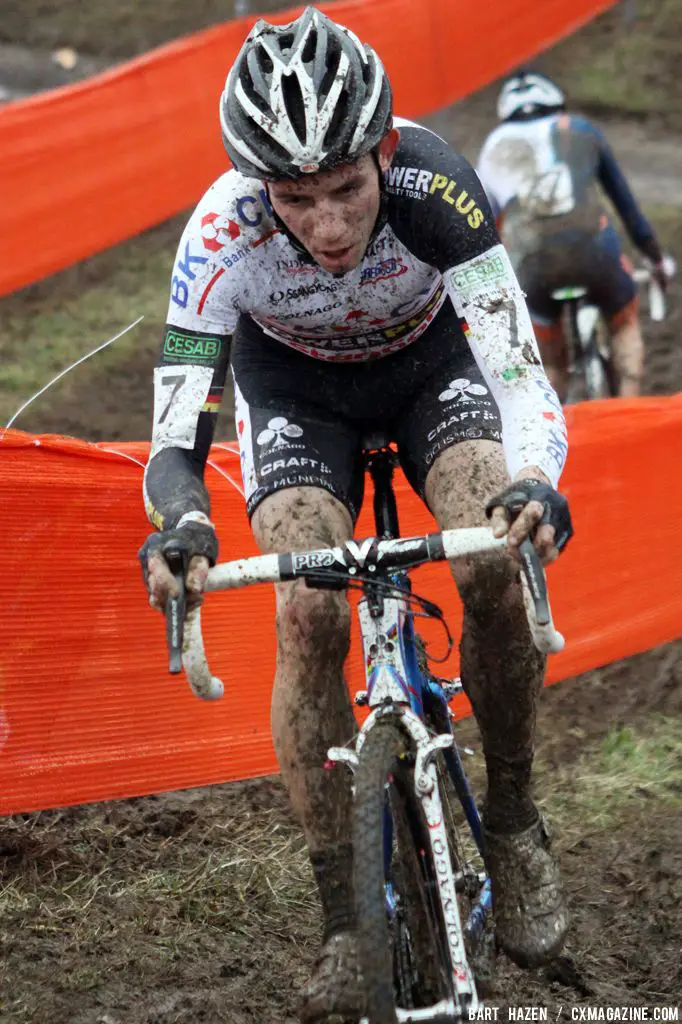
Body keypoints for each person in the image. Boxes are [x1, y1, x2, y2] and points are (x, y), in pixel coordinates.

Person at [139, 9, 574, 1019]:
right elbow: (176, 433)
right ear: (259, 189)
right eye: (295, 199)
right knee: (308, 612)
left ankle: (511, 822)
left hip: (434, 370)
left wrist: (537, 479)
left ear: (383, 150)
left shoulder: (436, 187)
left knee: (485, 556)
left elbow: (518, 375)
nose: (327, 227)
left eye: (346, 189)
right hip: (294, 393)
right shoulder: (219, 232)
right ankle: (344, 917)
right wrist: (182, 524)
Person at [477, 70, 673, 401]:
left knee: (551, 366)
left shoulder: (492, 146)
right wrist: (655, 258)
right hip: (596, 253)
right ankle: (628, 406)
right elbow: (627, 207)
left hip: (531, 264)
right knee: (623, 321)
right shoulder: (582, 129)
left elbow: (484, 228)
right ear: (558, 104)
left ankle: (562, 423)